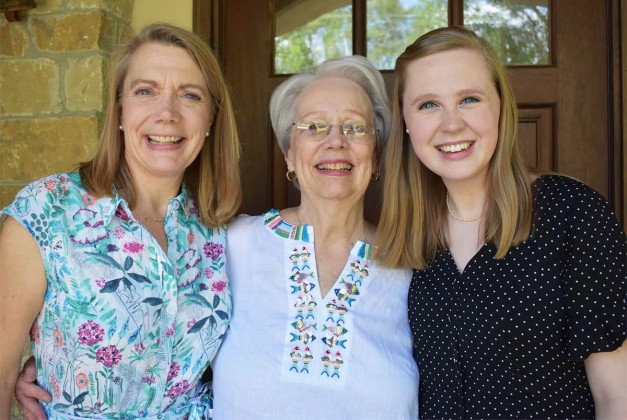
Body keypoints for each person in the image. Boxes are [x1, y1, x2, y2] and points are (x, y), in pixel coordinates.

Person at [375, 26, 627, 419]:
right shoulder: (404, 234)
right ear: (406, 122)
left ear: (500, 107)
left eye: (469, 99)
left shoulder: (571, 213)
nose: (451, 124)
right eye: (428, 105)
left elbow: (617, 394)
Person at [0, 22, 241, 419]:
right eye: (145, 91)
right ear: (119, 112)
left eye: (190, 96)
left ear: (211, 119)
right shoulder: (47, 210)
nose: (167, 114)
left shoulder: (219, 230)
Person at [208, 55, 419, 419]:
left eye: (354, 128)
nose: (335, 141)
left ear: (378, 155)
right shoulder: (232, 245)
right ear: (289, 155)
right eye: (314, 126)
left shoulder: (411, 263)